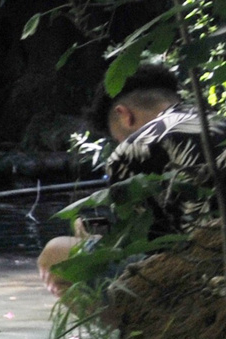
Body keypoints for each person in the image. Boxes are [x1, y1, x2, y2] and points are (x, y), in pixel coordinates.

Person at [38, 67, 219, 295]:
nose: (121, 143)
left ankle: (147, 329)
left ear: (125, 115)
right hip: (213, 246)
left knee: (55, 254)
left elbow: (143, 245)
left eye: (117, 138)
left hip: (207, 270)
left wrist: (94, 235)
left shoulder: (134, 148)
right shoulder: (214, 119)